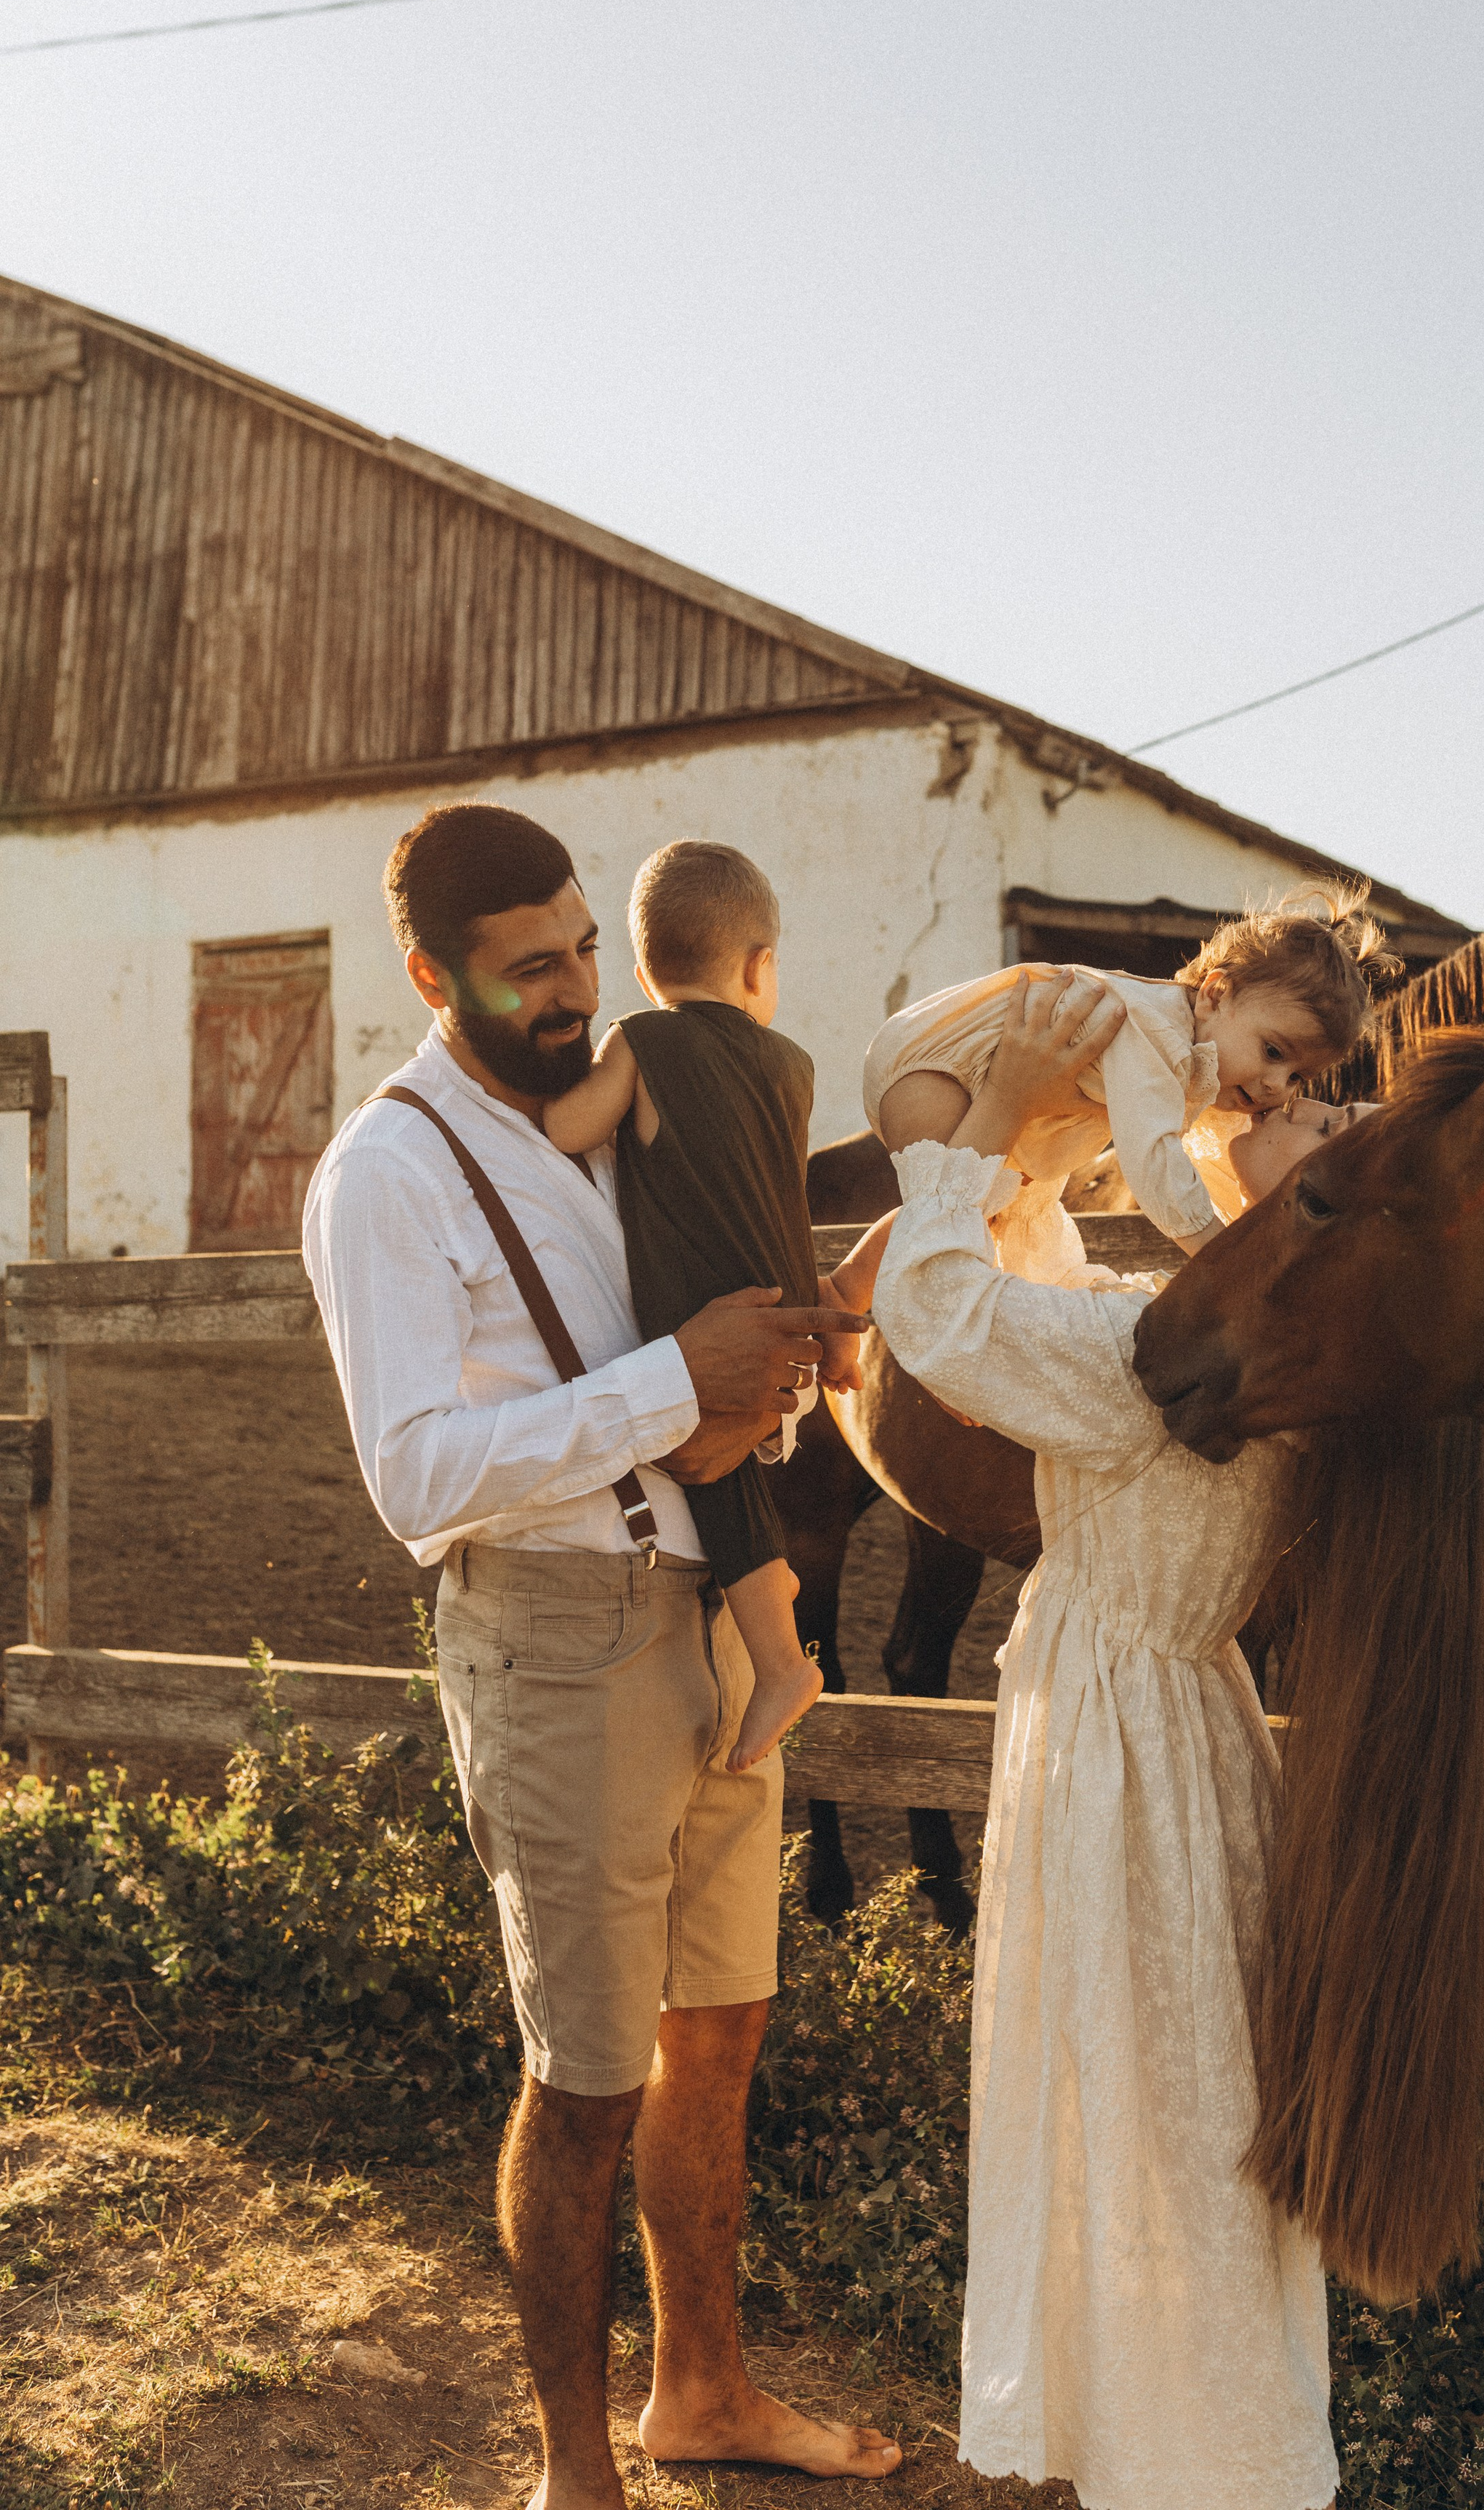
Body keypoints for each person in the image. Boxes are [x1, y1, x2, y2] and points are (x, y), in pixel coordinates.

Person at [302, 801, 900, 2509]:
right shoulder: (386, 1172)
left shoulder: (611, 1114)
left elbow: (693, 1331)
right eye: (526, 969)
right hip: (552, 1645)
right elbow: (415, 1473)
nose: (572, 988)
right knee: (583, 2076)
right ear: (431, 977)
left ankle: (700, 2390)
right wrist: (672, 1387)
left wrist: (769, 1375)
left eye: (580, 946)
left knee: (719, 2026)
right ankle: (579, 2475)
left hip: (708, 1620)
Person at [869, 970, 1341, 2510]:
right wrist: (1080, 1145)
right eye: (1284, 1077)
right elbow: (1047, 1280)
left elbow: (935, 1312)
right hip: (1193, 1736)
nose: (1286, 1102)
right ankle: (1204, 2438)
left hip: (1111, 1747)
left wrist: (994, 1120)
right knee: (1185, 2091)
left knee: (1124, 2093)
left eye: (1322, 1110)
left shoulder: (1162, 1364)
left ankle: (1168, 2455)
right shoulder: (1281, 1349)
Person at [542, 837, 882, 1774]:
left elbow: (568, 1130)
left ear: (645, 971)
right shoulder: (794, 1063)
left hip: (705, 1314)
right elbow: (782, 1187)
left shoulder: (642, 1042)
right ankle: (778, 1661)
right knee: (740, 1469)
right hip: (787, 1303)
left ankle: (780, 1662)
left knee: (715, 1472)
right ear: (758, 967)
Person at [862, 890, 1397, 1287]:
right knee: (947, 1221)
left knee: (987, 1212)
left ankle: (851, 1283)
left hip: (998, 1112)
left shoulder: (1203, 1064)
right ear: (1215, 995)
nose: (1279, 1086)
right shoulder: (1157, 1033)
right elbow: (1153, 1160)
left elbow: (1215, 1163)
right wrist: (1215, 1253)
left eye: (1299, 1076)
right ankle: (941, 1352)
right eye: (1274, 1053)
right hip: (939, 1066)